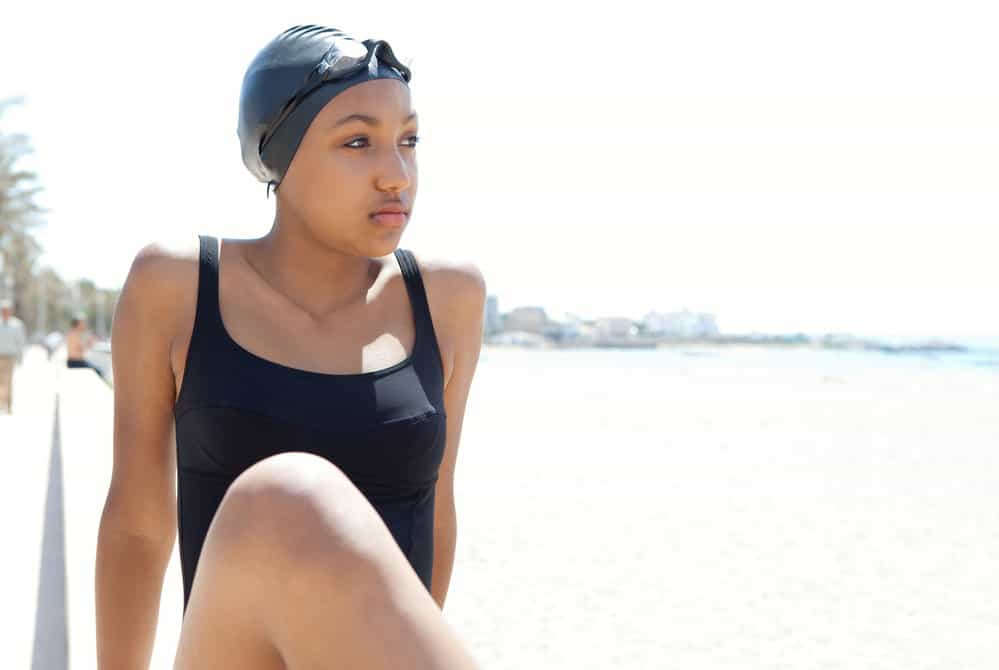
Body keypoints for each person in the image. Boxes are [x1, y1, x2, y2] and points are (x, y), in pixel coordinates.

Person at [95, 24, 486, 669]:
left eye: (409, 142)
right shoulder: (177, 286)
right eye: (358, 142)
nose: (397, 175)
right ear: (276, 152)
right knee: (286, 494)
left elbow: (436, 507)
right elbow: (138, 523)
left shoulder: (448, 297)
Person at [0, 297, 27, 414]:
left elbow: (21, 342)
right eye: (3, 309)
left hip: (10, 357)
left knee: (8, 382)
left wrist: (20, 357)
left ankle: (8, 405)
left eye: (7, 309)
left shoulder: (17, 325)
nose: (5, 311)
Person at [65, 313, 106, 380]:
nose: (84, 325)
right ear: (78, 324)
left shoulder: (74, 334)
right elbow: (79, 350)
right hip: (75, 362)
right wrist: (89, 344)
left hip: (76, 362)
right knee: (99, 372)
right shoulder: (73, 335)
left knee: (98, 372)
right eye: (83, 323)